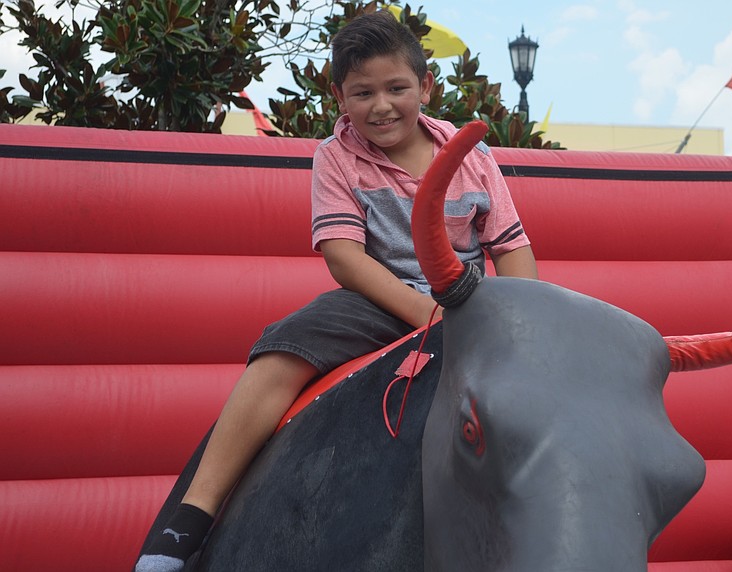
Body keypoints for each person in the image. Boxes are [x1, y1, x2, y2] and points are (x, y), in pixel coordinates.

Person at [135, 10, 537, 572]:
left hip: (465, 299)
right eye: (362, 92)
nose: (381, 106)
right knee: (284, 347)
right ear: (339, 97)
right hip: (379, 297)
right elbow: (345, 258)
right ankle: (188, 520)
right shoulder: (337, 156)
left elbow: (510, 247)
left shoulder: (471, 155)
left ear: (425, 85)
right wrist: (425, 313)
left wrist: (524, 322)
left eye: (397, 88)